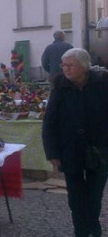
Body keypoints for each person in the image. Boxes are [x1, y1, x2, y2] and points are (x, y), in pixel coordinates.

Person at [42, 48, 108, 237]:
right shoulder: (60, 87)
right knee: (76, 198)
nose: (66, 68)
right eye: (64, 65)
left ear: (84, 66)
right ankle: (80, 231)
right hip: (70, 150)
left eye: (70, 65)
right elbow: (50, 122)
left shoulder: (102, 83)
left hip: (99, 149)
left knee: (95, 196)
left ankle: (93, 229)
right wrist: (52, 152)